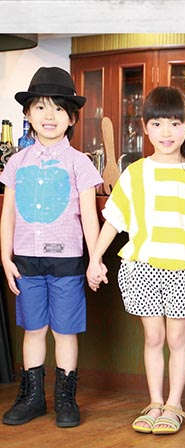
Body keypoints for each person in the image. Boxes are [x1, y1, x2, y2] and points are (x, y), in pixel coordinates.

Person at [87, 86, 185, 435]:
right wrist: (95, 258)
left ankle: (174, 405)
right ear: (145, 128)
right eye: (158, 123)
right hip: (142, 267)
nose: (166, 132)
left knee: (177, 338)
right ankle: (154, 402)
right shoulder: (135, 173)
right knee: (152, 338)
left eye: (175, 124)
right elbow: (113, 221)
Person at [0, 67, 103, 428]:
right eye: (41, 107)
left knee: (64, 330)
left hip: (67, 262)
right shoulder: (16, 163)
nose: (49, 115)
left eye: (59, 108)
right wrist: (5, 257)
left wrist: (95, 259)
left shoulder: (80, 163)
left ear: (71, 118)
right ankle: (31, 398)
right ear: (27, 114)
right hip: (26, 261)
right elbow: (8, 214)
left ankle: (65, 398)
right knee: (33, 329)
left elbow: (90, 217)